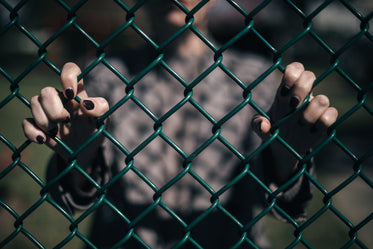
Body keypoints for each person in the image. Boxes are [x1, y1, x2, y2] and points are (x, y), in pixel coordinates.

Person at [22, 1, 338, 248]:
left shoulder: (255, 80)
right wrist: (79, 160)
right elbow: (75, 194)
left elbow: (272, 202)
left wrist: (284, 160)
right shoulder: (105, 76)